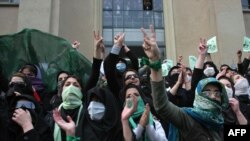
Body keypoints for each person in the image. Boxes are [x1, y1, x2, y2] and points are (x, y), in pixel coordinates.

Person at [141, 25, 229, 140]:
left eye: (217, 93)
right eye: (207, 92)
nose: (213, 96)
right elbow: (162, 105)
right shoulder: (187, 119)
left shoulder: (219, 123)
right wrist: (155, 60)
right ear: (198, 95)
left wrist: (203, 55)